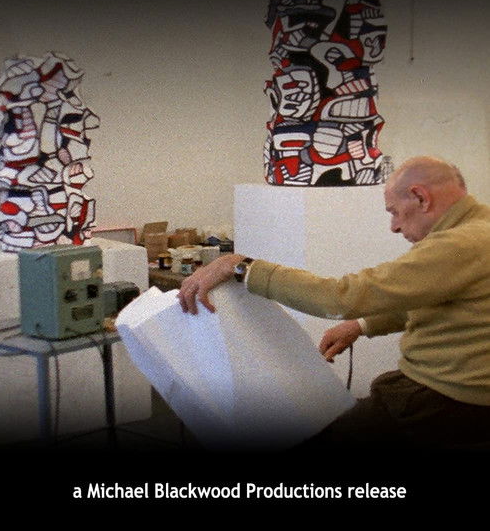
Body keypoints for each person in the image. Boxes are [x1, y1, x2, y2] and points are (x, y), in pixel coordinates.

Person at [177, 156, 490, 451]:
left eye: (394, 212)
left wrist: (239, 266)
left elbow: (341, 297)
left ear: (421, 198)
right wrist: (362, 325)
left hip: (445, 401)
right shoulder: (480, 227)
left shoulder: (459, 244)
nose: (394, 226)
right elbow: (434, 300)